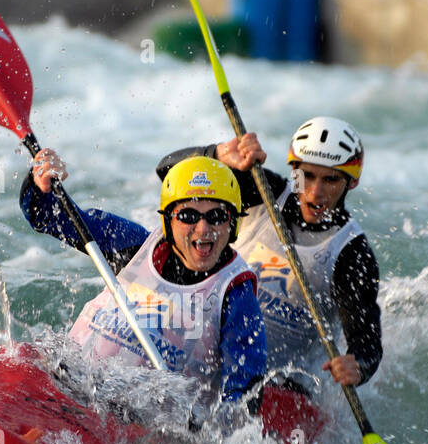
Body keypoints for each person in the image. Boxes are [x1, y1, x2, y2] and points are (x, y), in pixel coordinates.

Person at [20, 149, 266, 418]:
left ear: (234, 225)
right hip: (67, 378)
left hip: (136, 423)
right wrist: (39, 184)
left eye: (216, 216)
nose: (203, 228)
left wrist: (204, 431)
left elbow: (243, 399)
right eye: (188, 216)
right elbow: (47, 217)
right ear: (168, 220)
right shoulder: (134, 245)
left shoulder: (236, 294)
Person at [157, 116, 381, 392]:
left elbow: (367, 340)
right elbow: (167, 172)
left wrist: (358, 366)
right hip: (211, 356)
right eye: (307, 175)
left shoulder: (351, 254)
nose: (315, 192)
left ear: (352, 182)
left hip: (283, 387)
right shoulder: (261, 190)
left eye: (331, 179)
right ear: (293, 167)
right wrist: (217, 154)